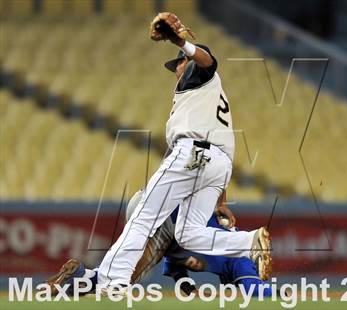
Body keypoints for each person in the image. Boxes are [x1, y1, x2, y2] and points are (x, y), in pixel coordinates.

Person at [96, 12, 271, 289]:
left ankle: (112, 280)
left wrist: (179, 42)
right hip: (217, 164)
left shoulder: (199, 74)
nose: (176, 69)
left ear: (187, 62)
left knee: (144, 215)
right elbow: (216, 143)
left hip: (192, 154)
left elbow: (209, 61)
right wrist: (220, 200)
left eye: (178, 63)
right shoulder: (204, 95)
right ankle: (249, 242)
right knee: (189, 234)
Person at [47, 190, 274, 297]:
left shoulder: (175, 250)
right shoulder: (240, 261)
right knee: (121, 281)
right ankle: (83, 282)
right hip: (171, 217)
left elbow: (176, 267)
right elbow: (255, 290)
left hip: (163, 208)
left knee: (122, 275)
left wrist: (188, 287)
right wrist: (282, 295)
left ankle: (80, 279)